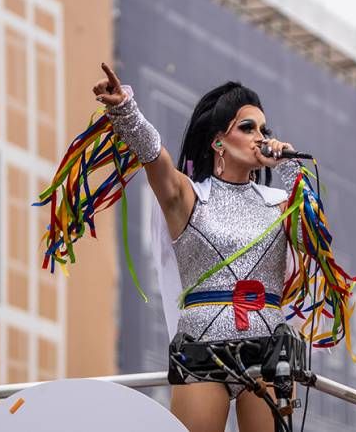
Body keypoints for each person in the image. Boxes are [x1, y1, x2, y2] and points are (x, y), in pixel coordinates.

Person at [93, 62, 300, 432]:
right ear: (218, 141)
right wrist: (125, 108)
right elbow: (155, 159)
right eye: (247, 127)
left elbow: (314, 235)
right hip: (204, 347)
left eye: (264, 130)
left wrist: (290, 166)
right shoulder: (190, 197)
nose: (259, 137)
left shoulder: (281, 204)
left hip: (268, 347)